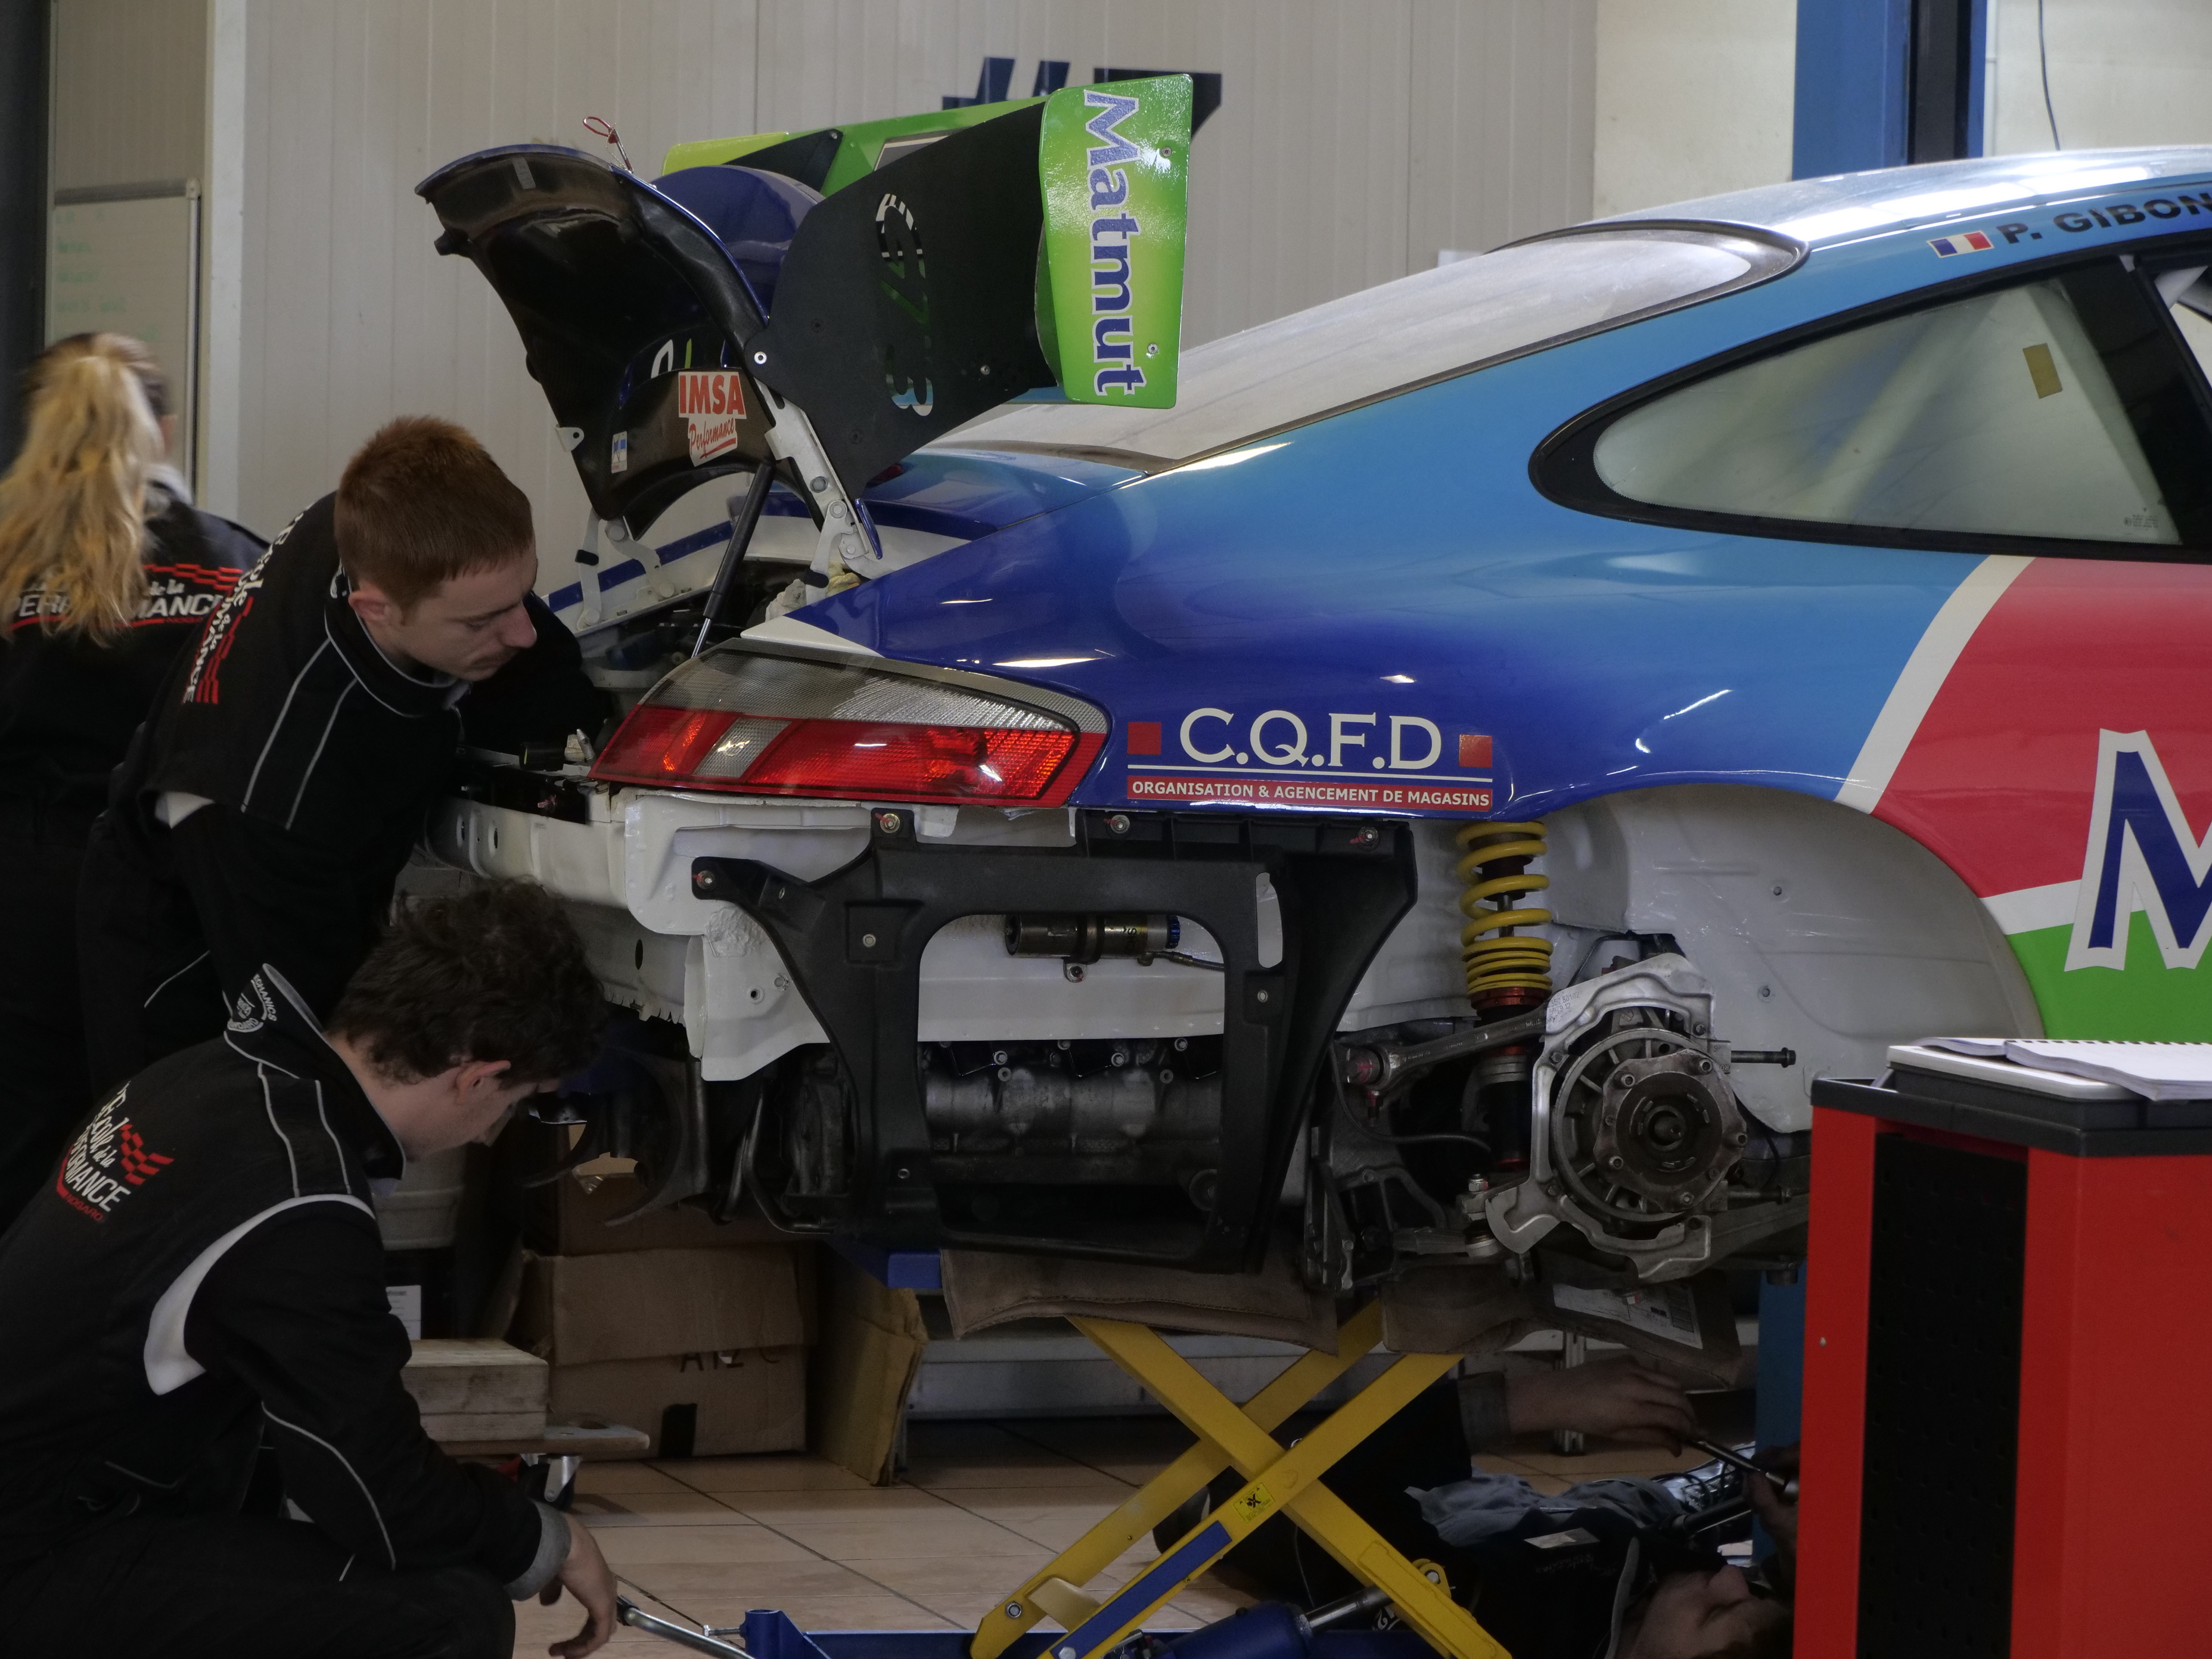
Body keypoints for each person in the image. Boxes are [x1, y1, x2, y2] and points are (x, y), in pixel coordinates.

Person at [0, 880, 616, 1659]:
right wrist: (542, 1537)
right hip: (32, 1558)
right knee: (450, 1611)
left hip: (48, 1491)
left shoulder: (207, 1076)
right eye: (516, 1103)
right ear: (475, 1078)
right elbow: (383, 1499)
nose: (492, 1132)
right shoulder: (298, 1197)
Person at [77, 414, 607, 1093]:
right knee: (257, 1126)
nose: (523, 633)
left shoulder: (383, 524)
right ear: (377, 608)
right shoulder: (274, 784)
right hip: (186, 959)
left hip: (291, 846)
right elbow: (320, 1035)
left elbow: (529, 655)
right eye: (481, 622)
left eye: (521, 593)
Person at [0, 334, 260, 1228]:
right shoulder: (235, 565)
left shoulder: (4, 566)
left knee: (20, 1138)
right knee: (151, 1135)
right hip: (167, 899)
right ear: (170, 431)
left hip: (19, 891)